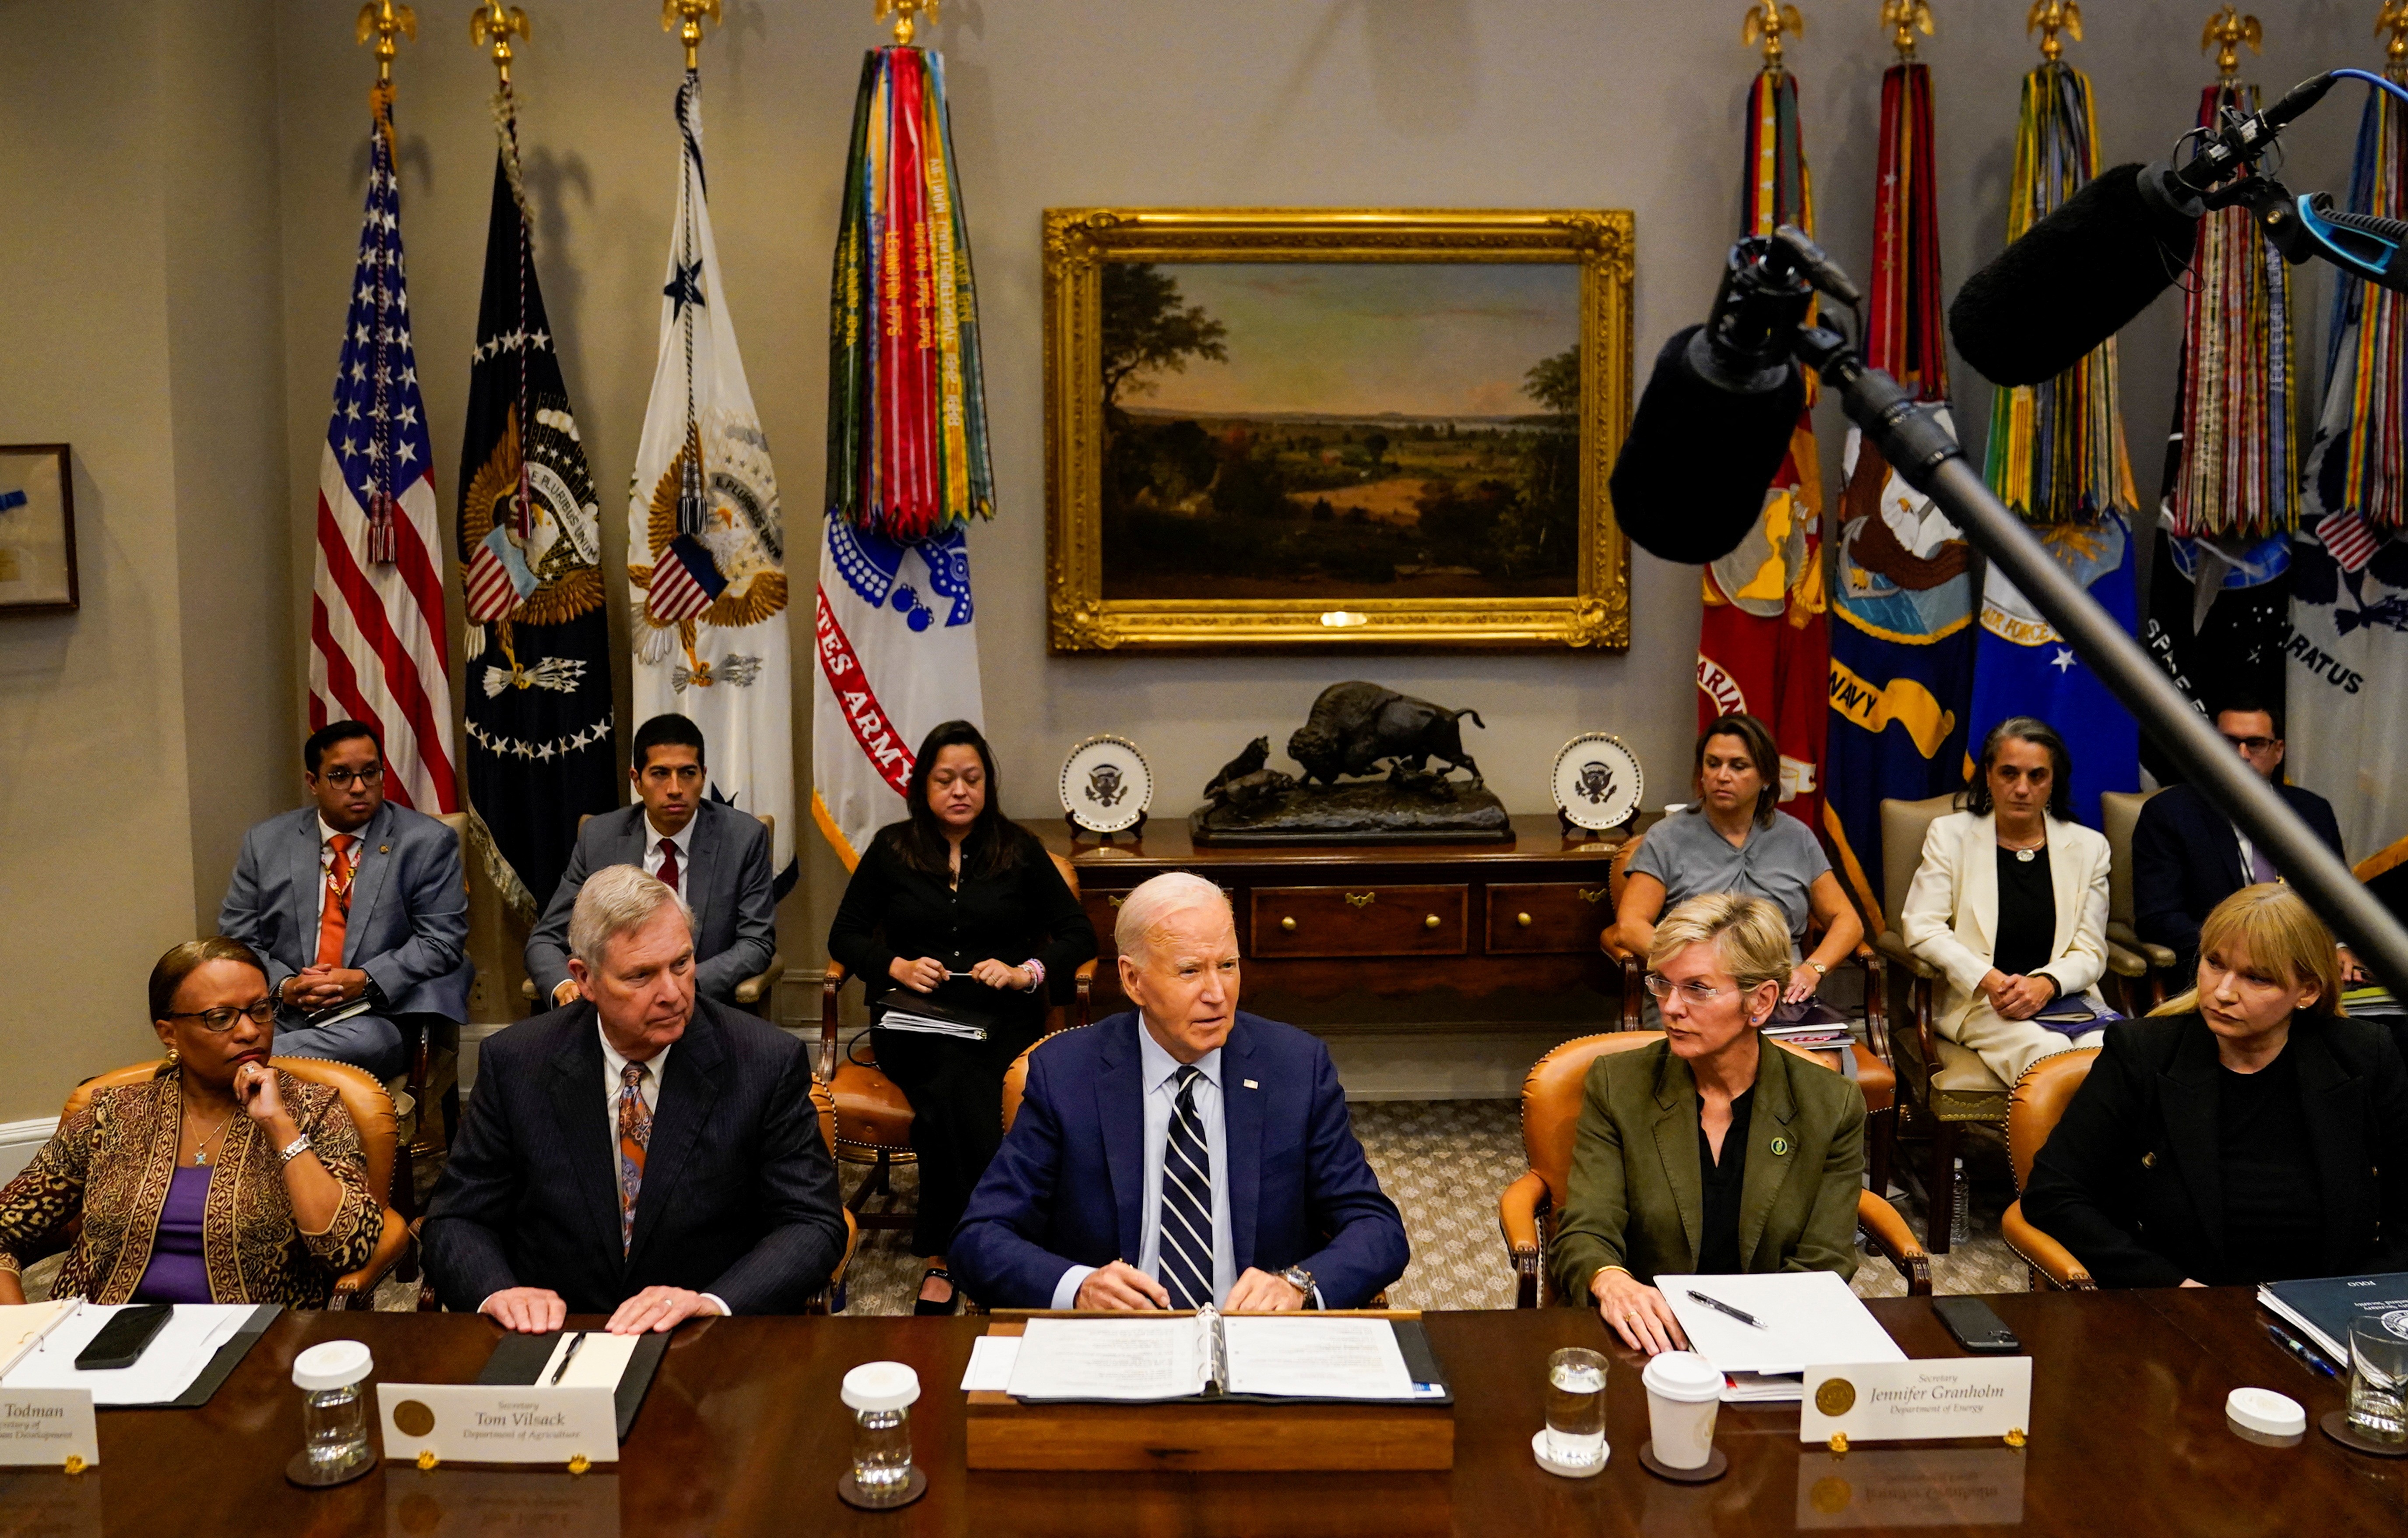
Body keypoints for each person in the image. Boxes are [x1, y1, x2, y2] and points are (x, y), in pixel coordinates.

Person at [949, 872, 1408, 1312]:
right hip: (1115, 1337)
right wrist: (1079, 1287)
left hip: (1256, 1336)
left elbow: (1378, 1229)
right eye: (1190, 971)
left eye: (1227, 966)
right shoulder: (1067, 1074)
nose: (1217, 993)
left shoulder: (1294, 1067)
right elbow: (979, 1239)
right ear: (1133, 980)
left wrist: (1298, 1284)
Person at [424, 864, 846, 1332]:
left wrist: (713, 1301)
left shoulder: (764, 1062)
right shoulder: (516, 1063)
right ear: (584, 979)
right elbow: (456, 1219)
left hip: (702, 1340)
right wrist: (498, 1291)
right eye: (642, 974)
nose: (672, 993)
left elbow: (813, 1222)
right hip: (555, 1336)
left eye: (682, 964)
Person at [825, 720, 1097, 1314]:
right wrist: (894, 965)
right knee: (953, 1080)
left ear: (988, 785)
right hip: (913, 1023)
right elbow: (843, 935)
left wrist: (1026, 971)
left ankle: (948, 1254)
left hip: (1003, 1019)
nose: (959, 790)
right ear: (922, 784)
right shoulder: (892, 850)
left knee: (959, 1089)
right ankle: (985, 1244)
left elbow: (1079, 934)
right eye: (945, 779)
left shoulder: (1018, 850)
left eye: (972, 779)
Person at [2021, 884, 2408, 1288]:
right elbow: (2054, 1194)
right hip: (2181, 1307)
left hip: (2328, 1311)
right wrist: (2174, 1289)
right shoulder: (2143, 1053)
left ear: (2307, 991)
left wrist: (2355, 1296)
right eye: (2215, 964)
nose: (2223, 993)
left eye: (2257, 978)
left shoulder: (2364, 1056)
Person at [1551, 894, 1867, 1355]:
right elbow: (1587, 1227)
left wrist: (1737, 1339)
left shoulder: (1830, 1104)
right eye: (1663, 983)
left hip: (1770, 1334)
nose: (1671, 1007)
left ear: (1760, 1001)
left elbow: (1826, 1260)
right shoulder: (1618, 1085)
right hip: (1645, 1337)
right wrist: (1612, 1280)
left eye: (1697, 988)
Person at [0, 939, 381, 1307]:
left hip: (254, 1347)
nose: (249, 1031)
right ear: (169, 1033)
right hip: (98, 1344)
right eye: (221, 1018)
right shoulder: (111, 1115)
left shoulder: (313, 1109)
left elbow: (346, 1248)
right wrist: (26, 1331)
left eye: (260, 1010)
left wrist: (281, 1128)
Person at [216, 720, 470, 1080]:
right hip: (281, 1013)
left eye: (370, 773)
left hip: (374, 1016)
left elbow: (442, 940)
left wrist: (364, 979)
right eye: (340, 776)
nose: (359, 787)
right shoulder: (267, 842)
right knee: (216, 1029)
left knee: (364, 1042)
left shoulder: (426, 842)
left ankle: (227, 1067)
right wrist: (286, 987)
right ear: (312, 783)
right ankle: (250, 1073)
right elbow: (237, 941)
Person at [1898, 716, 2114, 1088]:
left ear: (2053, 781)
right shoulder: (1950, 836)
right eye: (2009, 774)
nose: (2022, 788)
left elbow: (2091, 950)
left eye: (2037, 776)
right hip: (1981, 1003)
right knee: (2049, 1052)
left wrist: (2047, 983)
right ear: (1988, 775)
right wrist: (1987, 979)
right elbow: (1922, 926)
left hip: (2067, 1001)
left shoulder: (2089, 847)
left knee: (2109, 1052)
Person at [1604, 713, 1862, 1007]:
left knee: (1830, 1055)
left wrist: (1812, 969)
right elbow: (1630, 926)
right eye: (1713, 764)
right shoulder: (1666, 838)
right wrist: (1694, 968)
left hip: (1779, 996)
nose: (1722, 776)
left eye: (1738, 766)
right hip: (1693, 997)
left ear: (1766, 777)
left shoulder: (1796, 838)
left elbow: (1848, 921)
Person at [525, 713, 776, 1009]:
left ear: (703, 775)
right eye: (660, 774)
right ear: (637, 780)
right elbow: (545, 940)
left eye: (687, 773)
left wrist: (681, 985)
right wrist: (565, 986)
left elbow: (756, 944)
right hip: (612, 1009)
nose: (675, 789)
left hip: (701, 1008)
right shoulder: (599, 838)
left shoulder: (744, 838)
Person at [2132, 690, 2361, 983]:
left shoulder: (2312, 811)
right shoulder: (2169, 813)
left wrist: (2340, 947)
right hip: (2223, 973)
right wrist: (2247, 953)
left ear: (2278, 751)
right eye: (2229, 742)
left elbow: (2338, 902)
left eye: (2255, 744)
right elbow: (2159, 918)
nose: (2242, 755)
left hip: (2310, 969)